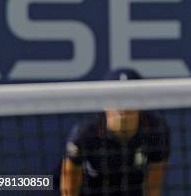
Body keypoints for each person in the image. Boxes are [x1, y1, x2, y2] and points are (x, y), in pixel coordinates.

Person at [60, 68, 170, 196]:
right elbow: (69, 188)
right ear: (104, 102)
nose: (123, 104)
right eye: (116, 96)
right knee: (38, 181)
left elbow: (153, 187)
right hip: (87, 188)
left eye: (130, 96)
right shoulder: (85, 133)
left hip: (130, 188)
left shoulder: (156, 130)